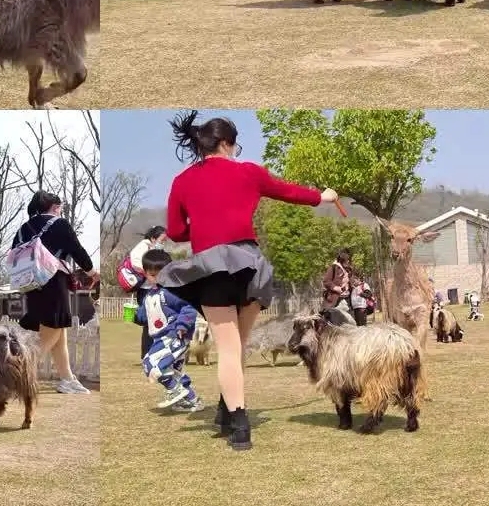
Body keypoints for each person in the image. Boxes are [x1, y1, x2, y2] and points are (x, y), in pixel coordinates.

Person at [158, 111, 339, 450]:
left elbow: (176, 231)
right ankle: (229, 413)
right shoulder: (249, 173)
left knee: (227, 348)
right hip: (250, 267)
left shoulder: (182, 181)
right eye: (235, 144)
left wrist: (200, 225)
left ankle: (237, 422)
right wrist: (323, 197)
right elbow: (289, 192)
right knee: (238, 345)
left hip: (212, 268)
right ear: (226, 144)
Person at [11, 191, 98, 395]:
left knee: (59, 333)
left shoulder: (24, 229)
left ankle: (67, 379)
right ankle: (15, 372)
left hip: (31, 283)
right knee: (52, 330)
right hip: (53, 280)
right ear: (55, 207)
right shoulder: (59, 223)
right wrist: (92, 272)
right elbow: (77, 250)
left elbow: (14, 252)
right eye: (60, 207)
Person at [139, 249, 202, 412]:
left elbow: (188, 308)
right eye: (152, 275)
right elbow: (148, 316)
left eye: (160, 274)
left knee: (150, 363)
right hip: (160, 338)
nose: (156, 278)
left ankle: (175, 390)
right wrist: (136, 315)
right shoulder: (149, 295)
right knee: (175, 371)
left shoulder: (171, 292)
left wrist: (182, 326)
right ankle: (192, 401)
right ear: (145, 273)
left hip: (174, 335)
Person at [128, 225, 167, 360]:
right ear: (153, 238)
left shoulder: (153, 249)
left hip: (152, 287)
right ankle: (146, 354)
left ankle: (154, 351)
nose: (163, 243)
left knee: (155, 320)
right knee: (148, 322)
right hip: (145, 289)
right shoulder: (143, 246)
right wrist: (149, 273)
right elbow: (135, 262)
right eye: (162, 240)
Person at [321, 248, 353, 317]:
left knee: (350, 322)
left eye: (349, 260)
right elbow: (326, 281)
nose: (348, 261)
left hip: (347, 298)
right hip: (335, 298)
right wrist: (336, 288)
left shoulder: (348, 269)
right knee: (331, 320)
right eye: (347, 260)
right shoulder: (334, 267)